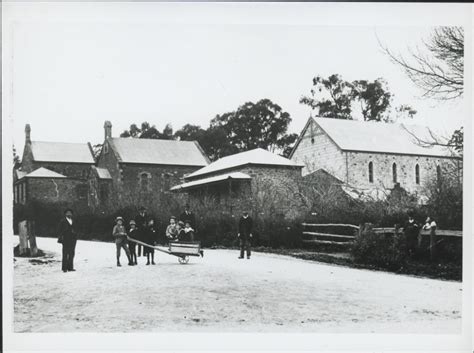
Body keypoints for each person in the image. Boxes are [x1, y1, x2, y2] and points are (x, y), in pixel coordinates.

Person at [57, 208, 78, 272]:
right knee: (65, 253)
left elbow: (76, 228)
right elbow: (59, 230)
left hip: (73, 239)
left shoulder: (73, 221)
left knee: (72, 253)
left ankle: (70, 267)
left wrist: (75, 233)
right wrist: (61, 236)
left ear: (72, 214)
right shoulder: (62, 221)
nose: (69, 214)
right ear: (65, 214)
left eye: (70, 213)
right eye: (67, 213)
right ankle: (64, 268)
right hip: (65, 238)